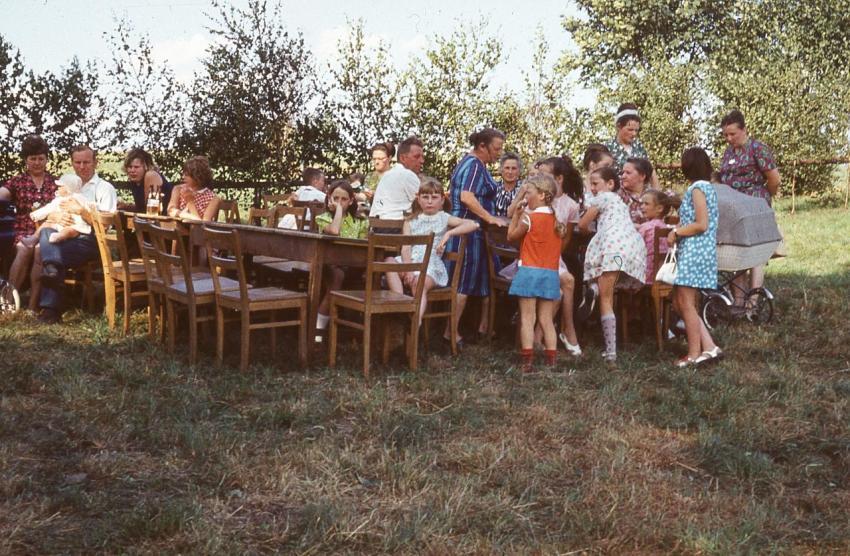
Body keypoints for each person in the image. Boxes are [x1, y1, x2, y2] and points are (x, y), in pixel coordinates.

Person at [37, 145, 117, 324]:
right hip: (62, 236)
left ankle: (50, 309)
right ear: (72, 163)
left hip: (91, 240)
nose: (82, 166)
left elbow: (104, 228)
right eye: (78, 162)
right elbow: (53, 209)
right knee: (47, 232)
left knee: (49, 252)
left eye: (86, 162)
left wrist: (81, 212)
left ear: (95, 162)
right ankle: (51, 275)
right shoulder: (67, 185)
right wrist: (56, 216)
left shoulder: (105, 188)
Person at [385, 177, 479, 329]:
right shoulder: (410, 221)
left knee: (418, 284)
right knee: (389, 261)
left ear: (442, 200)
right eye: (425, 197)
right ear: (418, 199)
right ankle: (401, 304)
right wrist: (408, 269)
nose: (429, 201)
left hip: (430, 265)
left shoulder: (444, 218)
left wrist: (448, 234)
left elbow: (473, 224)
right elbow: (406, 248)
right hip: (410, 261)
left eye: (434, 197)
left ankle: (416, 321)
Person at [578, 166, 646, 366]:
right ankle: (593, 287)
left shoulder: (602, 198)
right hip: (629, 249)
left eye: (595, 183)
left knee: (606, 298)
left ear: (610, 184)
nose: (593, 188)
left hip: (612, 247)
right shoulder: (621, 203)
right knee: (610, 282)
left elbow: (583, 224)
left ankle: (611, 354)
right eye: (590, 184)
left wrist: (586, 229)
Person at [444, 127, 507, 345]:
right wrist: (489, 218)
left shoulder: (473, 164)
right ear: (482, 146)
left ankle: (482, 328)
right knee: (463, 280)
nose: (499, 153)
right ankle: (450, 333)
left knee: (483, 278)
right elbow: (466, 197)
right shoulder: (473, 165)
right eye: (496, 148)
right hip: (467, 232)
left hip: (472, 230)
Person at [718, 109, 781, 307]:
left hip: (754, 207)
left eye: (732, 134)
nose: (729, 138)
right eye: (726, 135)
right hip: (734, 210)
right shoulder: (729, 152)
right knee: (736, 251)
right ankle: (738, 299)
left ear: (744, 130)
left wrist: (762, 199)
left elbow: (774, 179)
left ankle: (752, 299)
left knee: (755, 253)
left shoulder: (757, 148)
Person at [668, 147, 722, 367]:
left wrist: (676, 232)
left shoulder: (697, 188)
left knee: (686, 303)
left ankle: (693, 353)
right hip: (701, 250)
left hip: (694, 250)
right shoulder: (708, 188)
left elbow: (701, 224)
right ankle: (709, 347)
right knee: (681, 302)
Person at [507, 174, 565, 372]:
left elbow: (511, 237)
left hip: (529, 272)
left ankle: (527, 361)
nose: (525, 196)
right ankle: (551, 360)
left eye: (528, 192)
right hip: (550, 274)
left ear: (541, 195)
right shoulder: (557, 220)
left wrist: (515, 214)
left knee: (527, 318)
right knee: (547, 320)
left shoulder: (529, 218)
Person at [0, 135, 57, 309]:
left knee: (40, 250)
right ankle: (8, 300)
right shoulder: (17, 181)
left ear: (47, 159)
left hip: (48, 230)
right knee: (24, 249)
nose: (37, 163)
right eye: (33, 159)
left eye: (41, 158)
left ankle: (33, 305)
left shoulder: (55, 182)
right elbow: (2, 194)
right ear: (26, 159)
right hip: (23, 229)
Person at [313, 180, 368, 337]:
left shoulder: (360, 221)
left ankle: (345, 325)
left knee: (348, 274)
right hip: (330, 264)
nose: (339, 202)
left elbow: (364, 245)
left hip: (353, 264)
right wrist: (338, 211)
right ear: (329, 198)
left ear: (351, 201)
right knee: (337, 277)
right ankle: (318, 331)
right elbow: (334, 230)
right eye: (336, 198)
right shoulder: (323, 218)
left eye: (344, 200)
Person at [369, 137, 424, 219]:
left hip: (375, 226)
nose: (422, 161)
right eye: (417, 157)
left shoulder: (388, 174)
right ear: (402, 158)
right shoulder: (408, 175)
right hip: (396, 228)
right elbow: (426, 204)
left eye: (422, 157)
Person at [605, 103, 659, 187]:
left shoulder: (638, 146)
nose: (634, 134)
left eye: (636, 130)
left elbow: (651, 172)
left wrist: (657, 196)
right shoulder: (608, 148)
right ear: (619, 127)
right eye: (630, 130)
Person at [28, 174, 92, 244]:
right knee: (46, 224)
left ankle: (59, 236)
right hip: (59, 223)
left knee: (69, 231)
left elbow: (89, 207)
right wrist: (36, 214)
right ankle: (34, 238)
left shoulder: (80, 198)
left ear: (68, 189)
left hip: (75, 225)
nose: (58, 188)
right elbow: (49, 208)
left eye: (60, 187)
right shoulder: (59, 199)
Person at [638, 189, 680, 285]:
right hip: (663, 273)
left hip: (647, 274)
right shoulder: (666, 228)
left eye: (646, 204)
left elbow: (635, 248)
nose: (642, 207)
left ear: (659, 208)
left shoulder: (646, 227)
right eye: (642, 204)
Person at [120, 148, 173, 214]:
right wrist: (125, 206)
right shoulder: (135, 181)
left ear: (146, 167)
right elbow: (142, 208)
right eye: (130, 167)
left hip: (165, 220)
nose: (132, 170)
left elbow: (152, 208)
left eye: (136, 167)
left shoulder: (151, 175)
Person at [167, 156, 220, 221]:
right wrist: (184, 215)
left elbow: (204, 224)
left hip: (197, 230)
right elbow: (171, 210)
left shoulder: (213, 198)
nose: (183, 177)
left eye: (187, 175)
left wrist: (190, 202)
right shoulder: (178, 189)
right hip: (176, 228)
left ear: (198, 176)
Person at [620, 157, 655, 226]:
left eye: (628, 173)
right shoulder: (617, 191)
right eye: (622, 172)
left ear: (642, 176)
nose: (623, 176)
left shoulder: (652, 196)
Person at [493, 152, 522, 217]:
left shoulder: (525, 190)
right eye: (507, 168)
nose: (510, 172)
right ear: (501, 169)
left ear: (519, 171)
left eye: (514, 168)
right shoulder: (493, 188)